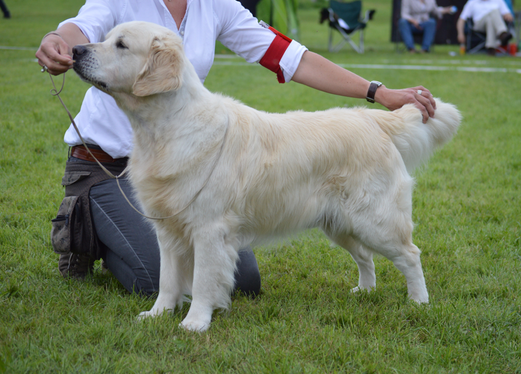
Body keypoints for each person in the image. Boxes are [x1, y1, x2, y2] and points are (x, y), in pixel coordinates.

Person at [36, 0, 436, 298]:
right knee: (152, 277)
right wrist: (58, 41)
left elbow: (288, 56)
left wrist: (378, 93)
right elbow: (78, 27)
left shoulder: (216, 4)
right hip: (105, 166)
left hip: (185, 170)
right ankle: (84, 227)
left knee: (241, 284)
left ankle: (122, 233)